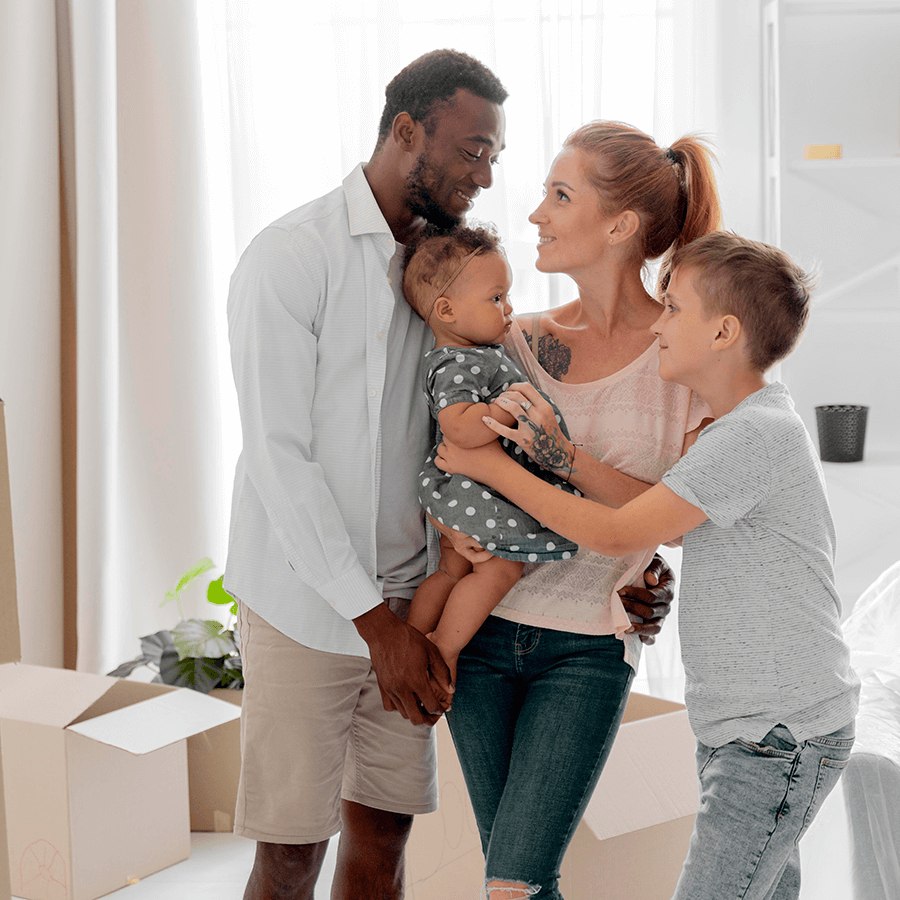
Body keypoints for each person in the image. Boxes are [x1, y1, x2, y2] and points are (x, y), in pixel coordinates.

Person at [223, 55, 673, 900]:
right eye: (474, 150)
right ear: (406, 132)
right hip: (309, 606)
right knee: (289, 857)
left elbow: (573, 442)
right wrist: (375, 627)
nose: (487, 175)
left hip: (412, 602)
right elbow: (279, 460)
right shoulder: (291, 258)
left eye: (496, 156)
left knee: (384, 846)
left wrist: (640, 560)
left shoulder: (452, 279)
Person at [437, 231, 860, 900]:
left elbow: (614, 533)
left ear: (723, 332)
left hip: (776, 736)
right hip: (754, 731)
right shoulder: (737, 429)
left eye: (673, 308)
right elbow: (650, 510)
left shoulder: (754, 436)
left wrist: (487, 465)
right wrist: (562, 458)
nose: (657, 322)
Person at [438, 121, 722, 900]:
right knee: (514, 881)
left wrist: (569, 464)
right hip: (485, 634)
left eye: (559, 196)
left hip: (589, 647)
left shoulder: (684, 357)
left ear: (620, 226)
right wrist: (449, 529)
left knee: (514, 882)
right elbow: (453, 461)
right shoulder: (513, 340)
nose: (535, 214)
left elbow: (681, 516)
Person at [402, 223, 588, 687]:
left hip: (464, 490)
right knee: (500, 568)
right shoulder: (457, 362)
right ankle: (443, 647)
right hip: (472, 487)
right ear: (446, 310)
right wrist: (507, 410)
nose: (509, 310)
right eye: (496, 298)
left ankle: (414, 635)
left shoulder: (473, 355)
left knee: (452, 568)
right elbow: (459, 427)